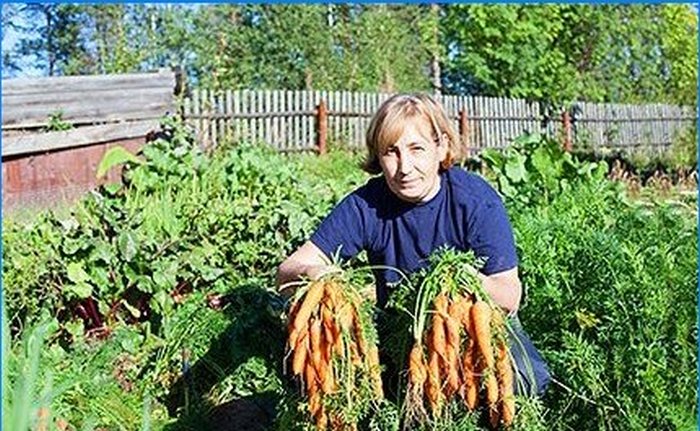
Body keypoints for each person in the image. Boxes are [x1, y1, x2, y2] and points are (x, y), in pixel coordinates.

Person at [276, 93, 550, 396]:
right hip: (402, 332)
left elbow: (509, 296)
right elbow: (287, 271)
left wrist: (462, 285)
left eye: (416, 149)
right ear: (378, 158)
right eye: (391, 152)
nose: (404, 167)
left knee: (525, 379)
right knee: (341, 382)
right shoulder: (367, 205)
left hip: (477, 327)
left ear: (441, 146)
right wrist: (319, 277)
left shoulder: (474, 201)